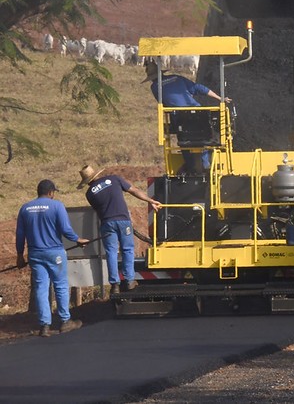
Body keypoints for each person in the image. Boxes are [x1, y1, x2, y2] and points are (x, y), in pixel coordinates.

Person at [16, 180, 90, 336]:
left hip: (35, 254)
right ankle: (65, 321)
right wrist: (77, 239)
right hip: (54, 252)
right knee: (60, 285)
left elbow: (20, 234)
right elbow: (65, 229)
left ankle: (44, 326)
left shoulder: (25, 208)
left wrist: (19, 255)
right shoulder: (57, 206)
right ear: (50, 192)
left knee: (41, 288)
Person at [78, 165, 162, 294]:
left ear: (87, 182)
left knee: (111, 252)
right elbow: (134, 190)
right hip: (123, 221)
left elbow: (99, 210)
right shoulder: (114, 179)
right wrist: (150, 200)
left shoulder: (89, 194)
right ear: (97, 174)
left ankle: (115, 285)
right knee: (127, 249)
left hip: (107, 224)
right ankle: (129, 281)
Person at [142, 60, 231, 172]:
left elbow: (163, 103)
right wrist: (220, 98)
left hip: (180, 117)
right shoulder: (177, 78)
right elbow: (199, 88)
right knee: (206, 136)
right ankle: (207, 164)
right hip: (198, 112)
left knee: (183, 140)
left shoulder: (155, 87)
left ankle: (190, 166)